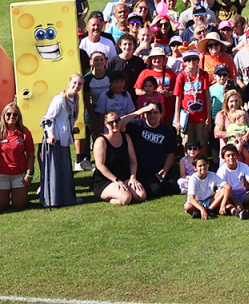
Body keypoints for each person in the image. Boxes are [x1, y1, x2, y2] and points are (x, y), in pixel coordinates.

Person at [39, 75, 83, 208]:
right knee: (54, 170)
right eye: (74, 83)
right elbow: (48, 119)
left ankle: (67, 198)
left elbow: (64, 119)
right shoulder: (59, 99)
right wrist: (50, 134)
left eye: (79, 84)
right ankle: (52, 199)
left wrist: (71, 129)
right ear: (69, 83)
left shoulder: (74, 100)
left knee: (64, 169)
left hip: (63, 140)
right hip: (54, 141)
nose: (76, 86)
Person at [91, 109, 144, 206]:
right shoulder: (101, 141)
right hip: (106, 180)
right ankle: (110, 197)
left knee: (141, 196)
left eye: (117, 121)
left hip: (124, 177)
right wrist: (116, 180)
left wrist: (133, 178)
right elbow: (100, 165)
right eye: (111, 123)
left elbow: (133, 161)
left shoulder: (126, 137)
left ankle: (123, 191)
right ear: (106, 124)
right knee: (126, 198)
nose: (115, 124)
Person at [0, 103, 35, 210]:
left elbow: (31, 154)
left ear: (19, 116)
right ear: (3, 115)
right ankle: (7, 194)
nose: (12, 117)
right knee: (2, 206)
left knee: (19, 205)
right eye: (8, 114)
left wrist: (29, 174)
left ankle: (15, 194)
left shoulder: (24, 132)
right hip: (2, 174)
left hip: (19, 174)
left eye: (15, 114)